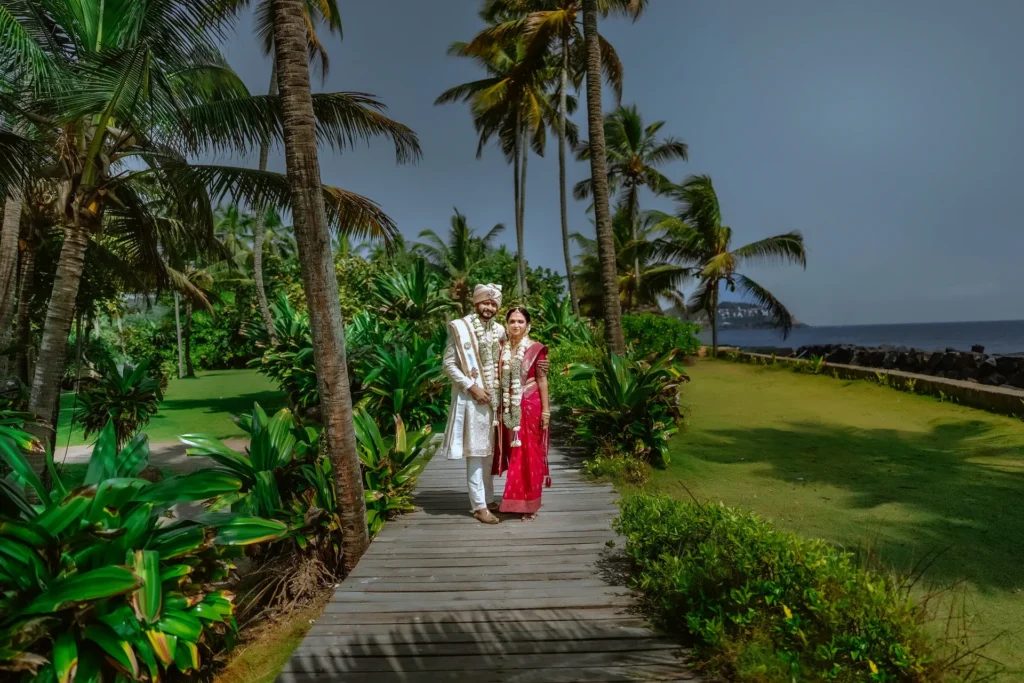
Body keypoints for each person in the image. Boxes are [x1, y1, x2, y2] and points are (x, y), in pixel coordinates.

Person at [441, 283, 506, 524]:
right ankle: (478, 506)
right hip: (471, 399)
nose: (489, 307)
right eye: (485, 302)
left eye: (493, 303)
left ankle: (488, 499)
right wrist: (472, 386)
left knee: (488, 453)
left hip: (495, 402)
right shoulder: (460, 328)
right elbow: (448, 365)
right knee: (476, 452)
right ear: (475, 303)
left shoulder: (500, 330)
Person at [493, 307, 550, 521]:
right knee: (514, 453)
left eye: (520, 321)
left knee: (528, 454)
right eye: (512, 321)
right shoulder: (501, 349)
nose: (516, 325)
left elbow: (542, 380)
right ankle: (514, 500)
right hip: (509, 408)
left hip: (530, 406)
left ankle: (530, 505)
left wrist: (546, 411)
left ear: (528, 325)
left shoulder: (536, 349)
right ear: (506, 325)